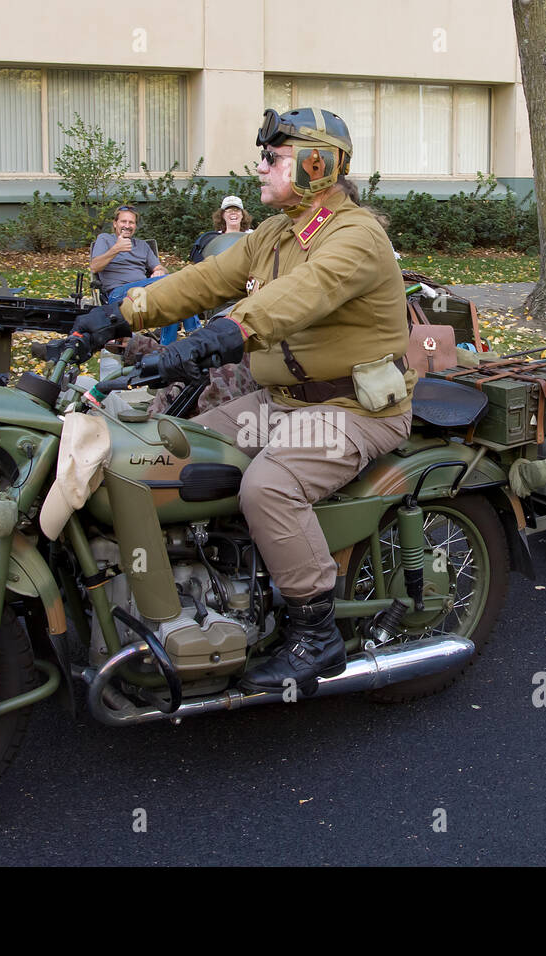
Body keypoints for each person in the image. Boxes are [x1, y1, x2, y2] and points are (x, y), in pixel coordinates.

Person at [72, 107, 415, 692]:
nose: (259, 168)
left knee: (269, 486)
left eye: (272, 158)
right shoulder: (274, 233)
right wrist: (119, 314)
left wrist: (216, 338)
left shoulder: (355, 236)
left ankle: (316, 634)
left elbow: (295, 299)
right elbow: (201, 281)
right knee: (163, 452)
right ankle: (207, 582)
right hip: (282, 402)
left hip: (353, 410)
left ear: (317, 164)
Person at [89, 206, 197, 345]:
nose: (127, 226)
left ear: (135, 226)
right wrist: (116, 249)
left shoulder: (142, 246)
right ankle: (195, 331)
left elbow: (160, 268)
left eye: (131, 222)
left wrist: (160, 272)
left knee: (172, 299)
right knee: (174, 284)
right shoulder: (105, 239)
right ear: (115, 223)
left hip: (144, 295)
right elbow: (95, 266)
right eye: (123, 221)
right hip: (120, 296)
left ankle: (165, 349)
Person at [189, 195, 254, 263]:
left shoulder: (252, 236)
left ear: (242, 214)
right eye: (229, 210)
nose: (233, 213)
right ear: (222, 215)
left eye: (237, 210)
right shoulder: (214, 239)